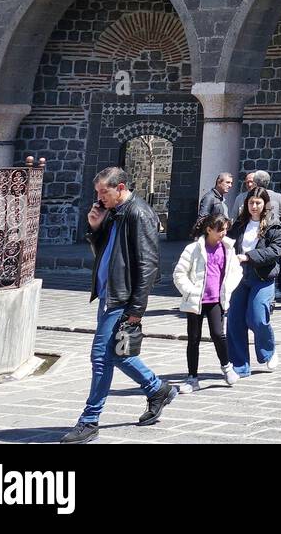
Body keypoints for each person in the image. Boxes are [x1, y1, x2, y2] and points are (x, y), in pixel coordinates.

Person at [60, 167, 177, 444]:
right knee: (117, 354)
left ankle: (89, 420)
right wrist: (96, 227)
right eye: (98, 192)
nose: (100, 198)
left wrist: (136, 310)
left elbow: (148, 264)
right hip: (109, 294)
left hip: (122, 298)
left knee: (100, 357)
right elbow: (107, 253)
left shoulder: (139, 213)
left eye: (104, 192)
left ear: (120, 187)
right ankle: (157, 388)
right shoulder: (114, 213)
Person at [172, 212, 242, 392]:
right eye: (220, 230)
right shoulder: (193, 249)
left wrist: (227, 289)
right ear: (209, 229)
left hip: (216, 300)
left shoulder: (228, 249)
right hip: (196, 301)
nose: (223, 234)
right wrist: (190, 290)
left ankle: (227, 367)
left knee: (219, 334)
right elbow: (179, 273)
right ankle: (192, 378)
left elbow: (235, 271)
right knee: (193, 339)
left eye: (225, 230)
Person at [227, 189, 281, 376]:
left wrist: (248, 257)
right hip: (238, 277)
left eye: (258, 203)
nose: (254, 207)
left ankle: (268, 352)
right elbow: (227, 243)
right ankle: (240, 366)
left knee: (257, 317)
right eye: (251, 202)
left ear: (265, 204)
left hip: (262, 277)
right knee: (234, 321)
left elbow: (276, 250)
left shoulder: (274, 226)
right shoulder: (239, 225)